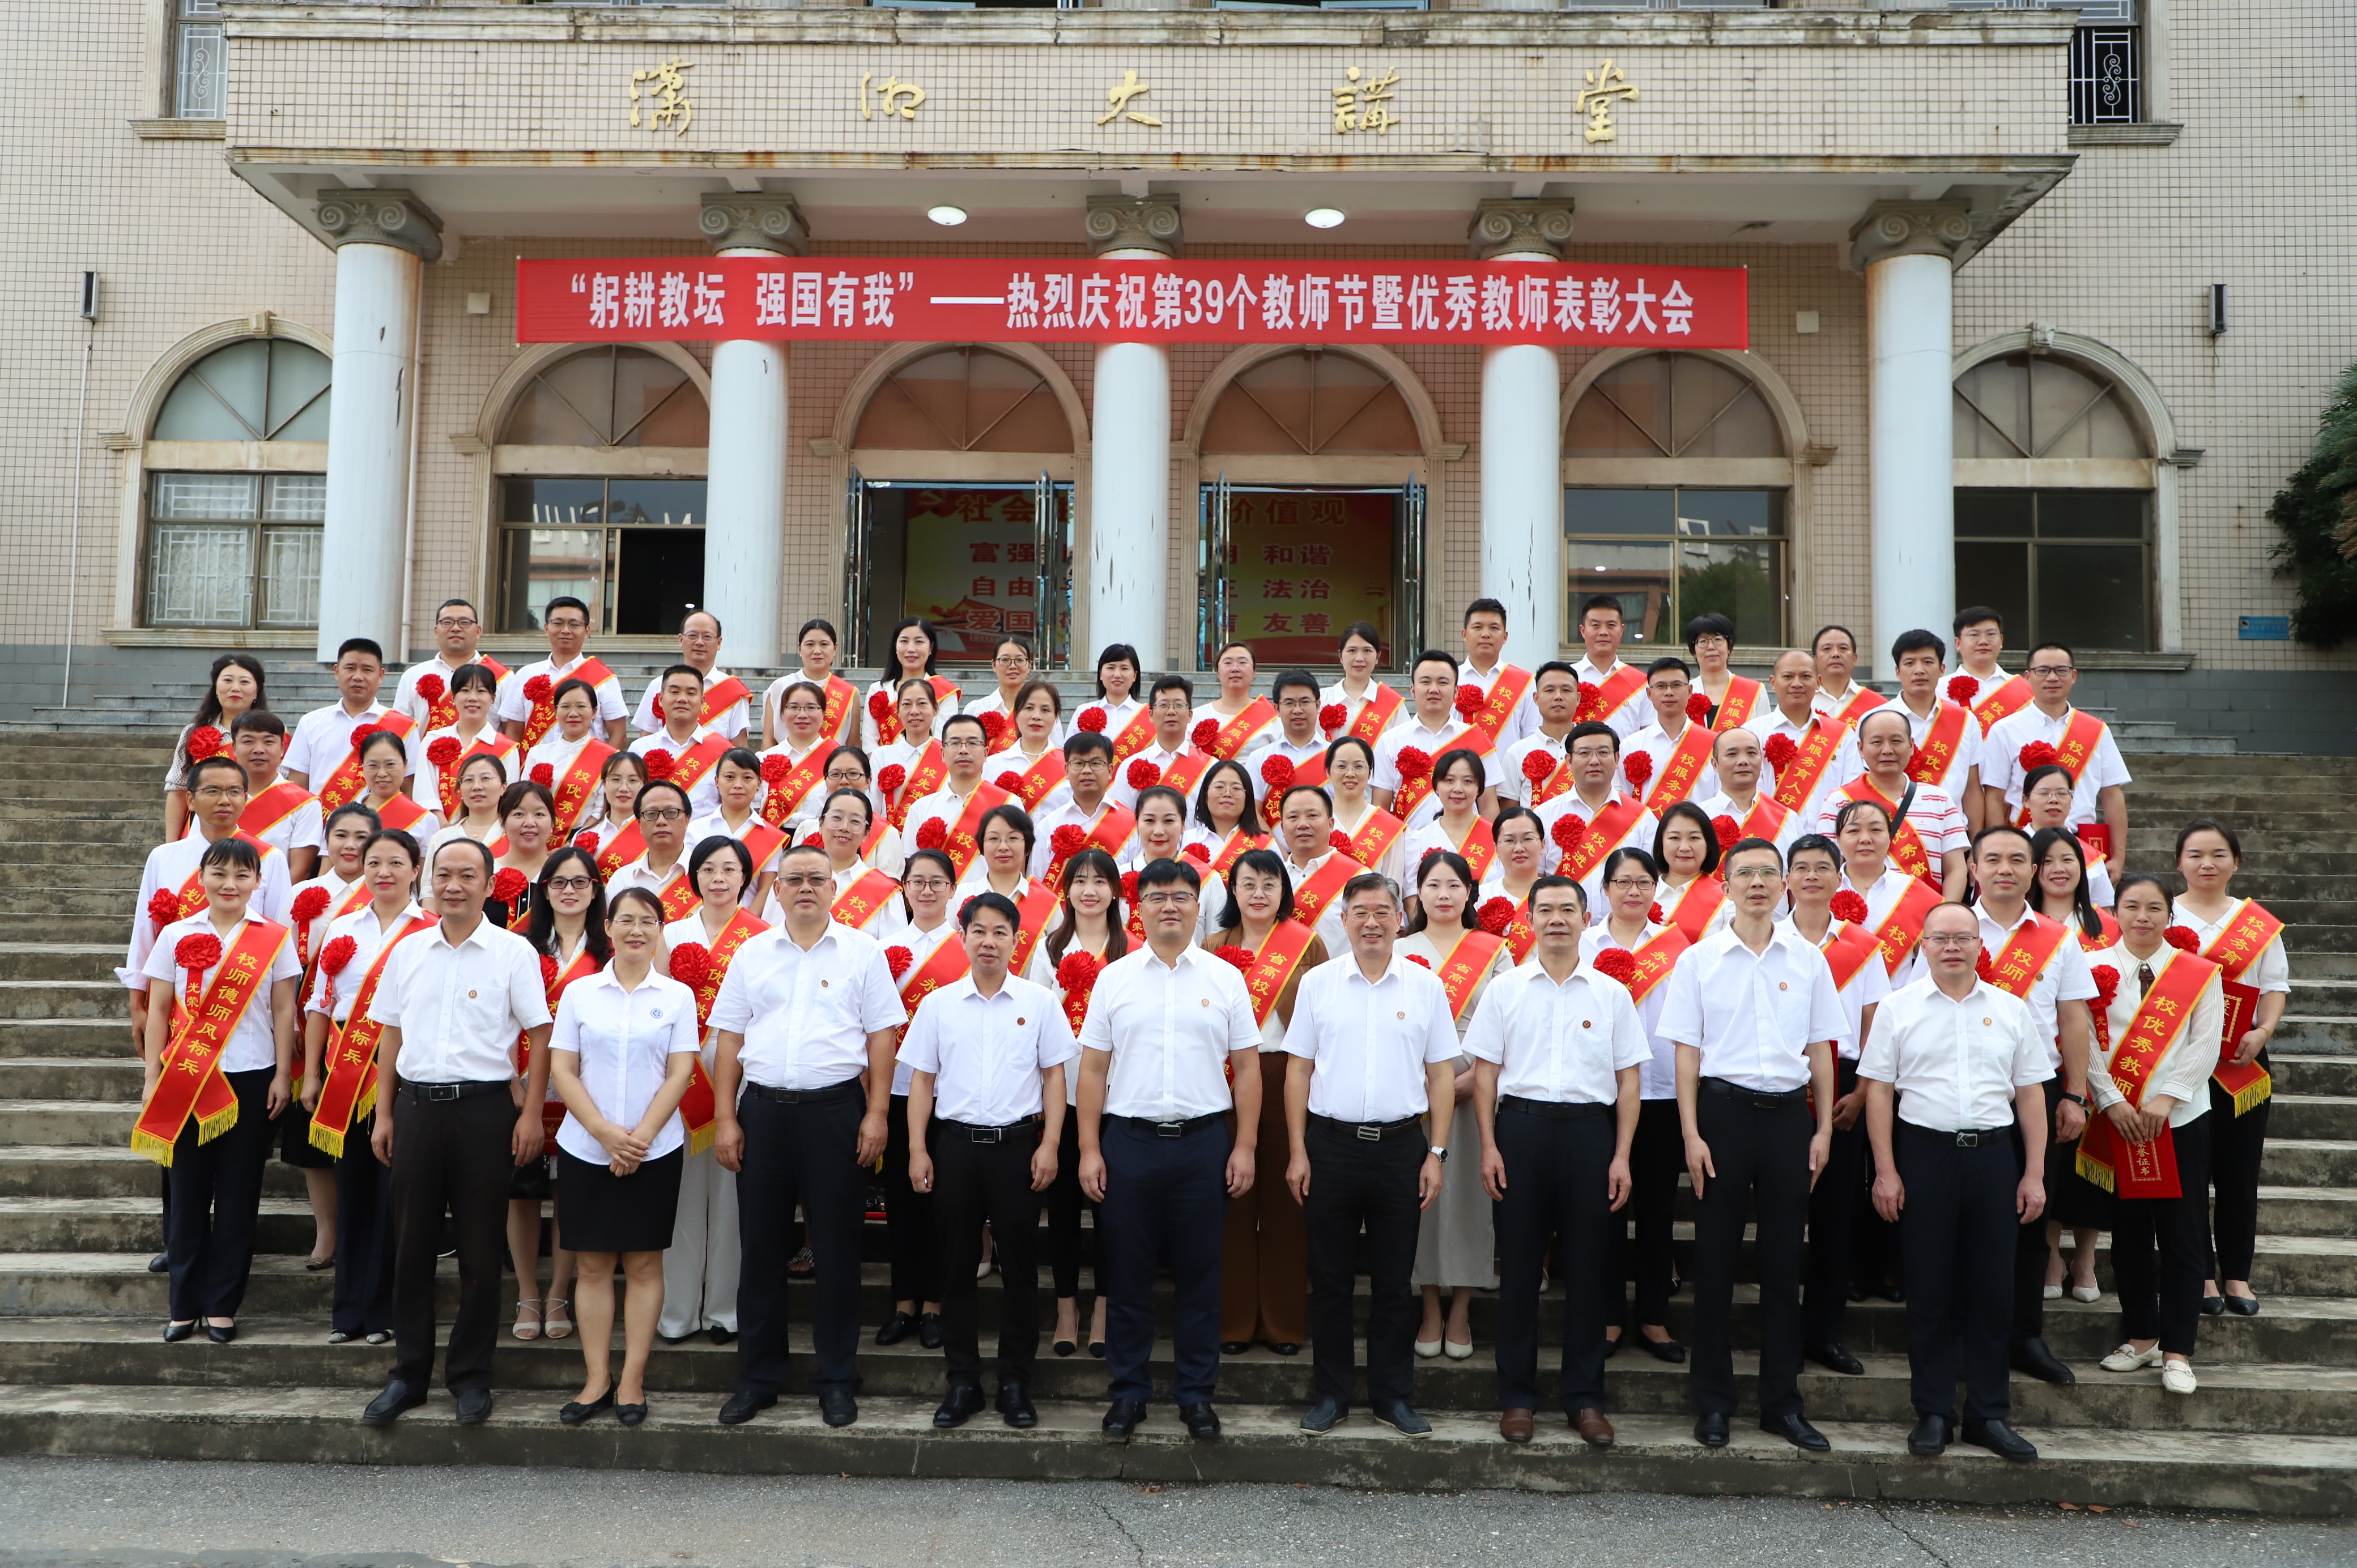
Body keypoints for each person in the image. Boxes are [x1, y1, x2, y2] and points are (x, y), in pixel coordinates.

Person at [708, 842, 905, 1428]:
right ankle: (758, 1378)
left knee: (838, 1252)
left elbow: (882, 1037)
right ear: (777, 889)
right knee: (760, 1251)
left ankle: (837, 1379)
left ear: (833, 888)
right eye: (793, 878)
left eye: (816, 878)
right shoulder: (752, 954)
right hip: (763, 1113)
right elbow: (728, 1038)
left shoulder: (862, 953)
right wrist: (726, 1117)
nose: (805, 888)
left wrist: (877, 1113)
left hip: (836, 1113)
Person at [359, 837, 554, 1428]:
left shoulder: (513, 953)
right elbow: (390, 1035)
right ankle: (408, 1374)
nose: (454, 885)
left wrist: (530, 1114)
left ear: (490, 885)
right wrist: (385, 1113)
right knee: (411, 1248)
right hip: (417, 1109)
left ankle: (471, 1376)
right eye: (444, 874)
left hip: (485, 1112)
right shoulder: (408, 951)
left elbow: (540, 1035)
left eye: (468, 875)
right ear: (429, 881)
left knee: (479, 1252)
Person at [1660, 836, 1843, 1451]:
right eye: (1746, 873)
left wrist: (1822, 1127)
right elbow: (1686, 1054)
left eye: (1769, 872)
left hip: (1789, 1118)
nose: (1758, 883)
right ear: (1727, 885)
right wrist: (1690, 1133)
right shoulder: (1699, 960)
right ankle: (1713, 1403)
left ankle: (1780, 1404)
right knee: (1714, 1264)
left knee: (1783, 1264)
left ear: (1784, 882)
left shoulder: (1809, 960)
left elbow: (1821, 1048)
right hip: (1722, 1117)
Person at [1076, 855, 1261, 1439]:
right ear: (1139, 908)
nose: (1169, 906)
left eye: (1181, 896)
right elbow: (1092, 1069)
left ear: (1197, 906)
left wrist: (1245, 1146)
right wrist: (1089, 1148)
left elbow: (1247, 1068)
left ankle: (1196, 1395)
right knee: (1127, 1276)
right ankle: (1128, 1393)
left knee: (1200, 1277)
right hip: (1128, 1143)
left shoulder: (1224, 979)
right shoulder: (1114, 978)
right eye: (1156, 896)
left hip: (1203, 1144)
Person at [1861, 900, 2050, 1462]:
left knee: (1992, 1290)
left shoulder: (2011, 1008)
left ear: (1978, 945)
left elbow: (2030, 1094)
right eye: (1940, 938)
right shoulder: (1897, 1008)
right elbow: (1878, 1092)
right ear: (1922, 945)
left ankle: (1987, 1414)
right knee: (1928, 1288)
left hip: (1994, 1157)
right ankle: (1933, 1412)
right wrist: (1885, 1170)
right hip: (1924, 1155)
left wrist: (2034, 1171)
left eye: (1962, 938)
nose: (1951, 947)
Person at [1469, 874, 1648, 1446]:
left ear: (1584, 918)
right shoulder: (1505, 990)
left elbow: (1628, 1082)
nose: (1555, 919)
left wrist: (1621, 1155)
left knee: (1589, 1270)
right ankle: (1517, 1397)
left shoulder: (1611, 994)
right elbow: (1485, 1076)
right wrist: (1489, 1144)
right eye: (1544, 909)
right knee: (1520, 1269)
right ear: (1528, 920)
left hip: (1589, 1135)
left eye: (1567, 909)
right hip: (1520, 1131)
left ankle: (1584, 1397)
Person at [1282, 871, 1457, 1436]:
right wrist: (1297, 1150)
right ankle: (1331, 1394)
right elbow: (1298, 1070)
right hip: (1329, 1148)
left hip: (1401, 1149)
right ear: (1344, 919)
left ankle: (1391, 1395)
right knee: (1329, 1280)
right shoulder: (1318, 984)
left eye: (1383, 911)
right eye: (1360, 912)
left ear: (1399, 919)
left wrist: (1436, 1152)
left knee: (1393, 1282)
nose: (1372, 922)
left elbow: (1440, 1075)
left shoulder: (1424, 986)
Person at [901, 890, 1077, 1429]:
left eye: (1001, 932)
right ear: (963, 937)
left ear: (1016, 941)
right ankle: (963, 1382)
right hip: (954, 1146)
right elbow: (922, 1083)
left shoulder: (1039, 1002)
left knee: (1020, 1268)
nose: (989, 941)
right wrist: (917, 1149)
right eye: (979, 930)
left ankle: (1015, 1382)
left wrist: (1050, 1144)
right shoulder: (938, 1005)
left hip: (1017, 1149)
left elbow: (1055, 1078)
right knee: (955, 1267)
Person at [136, 836, 303, 1344]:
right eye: (220, 873)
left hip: (253, 1077)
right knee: (187, 1195)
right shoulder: (175, 934)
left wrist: (282, 1074)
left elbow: (283, 1010)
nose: (230, 884)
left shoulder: (274, 937)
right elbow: (158, 1011)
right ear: (203, 878)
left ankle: (223, 1305)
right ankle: (183, 1305)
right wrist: (152, 1077)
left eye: (242, 875)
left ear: (258, 882)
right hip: (187, 1079)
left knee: (238, 1197)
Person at [548, 885, 699, 1426]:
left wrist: (639, 1139)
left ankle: (632, 1380)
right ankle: (597, 1379)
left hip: (655, 1149)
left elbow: (680, 1072)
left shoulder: (677, 996)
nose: (637, 930)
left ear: (660, 931)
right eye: (627, 920)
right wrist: (605, 1133)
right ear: (608, 927)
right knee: (591, 1266)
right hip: (586, 1148)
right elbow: (563, 1069)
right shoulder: (580, 993)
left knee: (643, 1263)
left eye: (648, 921)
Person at [1964, 823, 2099, 1387]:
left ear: (2034, 870)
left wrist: (2074, 1093)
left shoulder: (2057, 938)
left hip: (2037, 1093)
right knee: (1964, 1219)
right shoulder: (1951, 929)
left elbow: (2073, 1019)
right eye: (1992, 859)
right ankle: (1965, 1337)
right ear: (1973, 868)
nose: (2005, 869)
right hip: (1960, 1092)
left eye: (2017, 860)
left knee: (2030, 1215)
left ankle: (2024, 1335)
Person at [2089, 874, 2224, 1397]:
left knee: (2183, 1234)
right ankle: (2142, 1336)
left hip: (2182, 1119)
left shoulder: (2197, 972)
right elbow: (2084, 1040)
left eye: (2154, 908)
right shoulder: (2092, 967)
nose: (2142, 917)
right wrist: (2111, 1100)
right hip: (2120, 1119)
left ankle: (2178, 1351)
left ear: (2170, 915)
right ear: (2115, 912)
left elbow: (2206, 1042)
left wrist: (2167, 1098)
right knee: (2129, 1235)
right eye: (2131, 906)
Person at [303, 826, 431, 1345]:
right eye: (375, 862)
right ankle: (348, 1313)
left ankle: (383, 1312)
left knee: (392, 1200)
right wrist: (312, 1074)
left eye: (396, 863)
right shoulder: (342, 927)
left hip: (404, 1074)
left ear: (416, 870)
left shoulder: (431, 930)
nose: (384, 872)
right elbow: (320, 1004)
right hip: (346, 1072)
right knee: (352, 1193)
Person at [1203, 848, 1324, 1360]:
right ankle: (1233, 1321)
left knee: (1286, 1202)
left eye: (1269, 884)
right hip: (1222, 1082)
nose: (1258, 893)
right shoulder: (1212, 946)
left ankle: (1283, 1324)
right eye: (1248, 883)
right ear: (1232, 890)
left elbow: (1322, 1023)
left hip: (1288, 1080)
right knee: (1230, 1202)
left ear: (1283, 892)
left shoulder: (1307, 945)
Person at [1782, 832, 1892, 1379]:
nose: (1812, 876)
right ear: (1787, 879)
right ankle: (1781, 1334)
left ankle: (1825, 1334)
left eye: (1822, 867)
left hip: (1847, 1084)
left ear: (1838, 877)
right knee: (1781, 1218)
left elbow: (1876, 1026)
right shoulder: (1766, 940)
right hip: (1780, 1082)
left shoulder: (1863, 946)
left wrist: (1863, 1092)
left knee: (1835, 1218)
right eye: (1801, 867)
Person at [1580, 847, 1694, 1364]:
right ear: (1605, 889)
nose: (1633, 891)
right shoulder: (1583, 945)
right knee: (1603, 1211)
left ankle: (1653, 1317)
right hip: (1599, 1095)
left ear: (1656, 889)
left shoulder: (1679, 948)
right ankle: (1606, 1317)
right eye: (1622, 882)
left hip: (1662, 1092)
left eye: (1644, 882)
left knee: (1656, 1210)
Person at [1399, 851, 1512, 1365]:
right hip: (1411, 1089)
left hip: (1475, 1089)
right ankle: (1428, 1305)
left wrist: (1471, 1081)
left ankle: (1462, 1306)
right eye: (1433, 885)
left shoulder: (1495, 951)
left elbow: (1507, 1026)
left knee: (1467, 1195)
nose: (1444, 894)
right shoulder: (1399, 949)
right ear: (1418, 893)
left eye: (1454, 885)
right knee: (1419, 1199)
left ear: (1470, 893)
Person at [2173, 818, 2287, 1319]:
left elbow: (2275, 987)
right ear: (2179, 862)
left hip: (2243, 1064)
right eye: (2196, 854)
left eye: (2219, 854)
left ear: (2236, 863)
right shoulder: (2163, 914)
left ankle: (2237, 1272)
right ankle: (2200, 1273)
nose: (2207, 864)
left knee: (2239, 1174)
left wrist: (2263, 1032)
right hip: (2180, 1065)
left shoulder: (2256, 923)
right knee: (2191, 1174)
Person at [658, 836, 768, 1347]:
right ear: (694, 877)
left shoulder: (764, 937)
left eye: (729, 869)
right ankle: (676, 1313)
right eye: (708, 869)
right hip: (678, 1081)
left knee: (731, 1200)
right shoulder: (670, 933)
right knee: (679, 1199)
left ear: (745, 877)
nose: (718, 878)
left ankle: (725, 1310)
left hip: (738, 1078)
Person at [122, 753, 296, 1036]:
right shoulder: (164, 858)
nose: (224, 800)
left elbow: (280, 934)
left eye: (234, 792)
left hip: (243, 1000)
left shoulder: (269, 858)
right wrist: (136, 1004)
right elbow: (145, 931)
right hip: (175, 999)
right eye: (212, 791)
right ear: (190, 800)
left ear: (245, 798)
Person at [509, 847, 605, 1343]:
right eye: (559, 882)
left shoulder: (609, 949)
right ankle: (528, 1291)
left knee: (572, 1193)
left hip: (588, 1090)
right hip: (524, 1083)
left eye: (580, 881)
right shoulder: (518, 945)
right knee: (522, 1194)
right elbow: (500, 1018)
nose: (570, 891)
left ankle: (559, 1293)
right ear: (543, 890)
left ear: (595, 889)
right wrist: (510, 1080)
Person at [1031, 849, 1124, 1361]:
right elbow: (1034, 1025)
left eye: (1100, 881)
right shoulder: (1049, 948)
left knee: (1113, 1213)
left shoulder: (1132, 950)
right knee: (1064, 1210)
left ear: (1115, 891)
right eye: (1080, 881)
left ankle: (1105, 1310)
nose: (1090, 890)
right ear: (1066, 890)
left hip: (1120, 1100)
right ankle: (1066, 1309)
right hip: (1062, 1097)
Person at [879, 847, 960, 1351]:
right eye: (917, 882)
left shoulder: (966, 947)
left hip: (950, 1095)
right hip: (895, 1089)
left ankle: (935, 1304)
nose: (927, 890)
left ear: (952, 889)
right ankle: (903, 1302)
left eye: (937, 882)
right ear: (904, 889)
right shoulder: (882, 949)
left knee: (943, 1205)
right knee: (901, 1201)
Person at [2032, 825, 2116, 1305]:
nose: (2058, 869)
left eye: (2068, 860)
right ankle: (2049, 1255)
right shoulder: (2022, 925)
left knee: (2090, 1164)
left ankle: (2085, 1257)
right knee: (2049, 1162)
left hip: (2101, 1061)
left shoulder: (2108, 925)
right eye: (2047, 861)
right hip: (2042, 1062)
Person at [1980, 642, 2132, 883]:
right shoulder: (2005, 730)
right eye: (2043, 671)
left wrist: (2119, 857)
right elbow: (1995, 796)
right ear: (2027, 677)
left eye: (2061, 670)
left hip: (2080, 843)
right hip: (2025, 843)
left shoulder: (2096, 730)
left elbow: (2112, 795)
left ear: (2074, 676)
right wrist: (2001, 849)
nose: (2052, 677)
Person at [1819, 708, 1969, 894]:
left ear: (1911, 746)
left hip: (1926, 909)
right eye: (1877, 742)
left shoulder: (1939, 800)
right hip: (1860, 909)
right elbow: (1830, 867)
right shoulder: (1839, 801)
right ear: (1861, 749)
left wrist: (1945, 910)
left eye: (1896, 741)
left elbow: (1956, 869)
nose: (1887, 750)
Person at [1534, 722, 1658, 915]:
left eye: (1603, 752)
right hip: (1563, 926)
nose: (1594, 761)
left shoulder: (1642, 818)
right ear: (1568, 760)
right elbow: (1536, 877)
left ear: (1617, 759)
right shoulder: (1544, 815)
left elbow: (1654, 878)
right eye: (1584, 753)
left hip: (1625, 927)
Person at [1372, 651, 1494, 829]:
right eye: (1426, 682)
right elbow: (1381, 806)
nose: (1434, 689)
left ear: (1456, 691)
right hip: (1408, 842)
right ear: (1413, 690)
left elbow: (1488, 805)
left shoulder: (1476, 738)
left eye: (1443, 682)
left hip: (1466, 842)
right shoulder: (1390, 741)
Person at [1744, 650, 1864, 829]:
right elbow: (1749, 791)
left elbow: (1852, 791)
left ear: (1818, 682)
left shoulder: (1842, 734)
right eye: (1788, 677)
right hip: (1773, 836)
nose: (1797, 684)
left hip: (1830, 837)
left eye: (1805, 676)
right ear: (1773, 683)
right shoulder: (1751, 733)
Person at [497, 595, 628, 751]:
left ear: (587, 631)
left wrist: (602, 766)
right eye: (558, 623)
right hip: (534, 765)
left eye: (574, 624)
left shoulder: (604, 678)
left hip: (586, 765)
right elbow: (513, 732)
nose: (565, 630)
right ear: (546, 628)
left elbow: (619, 735)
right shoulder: (525, 675)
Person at [1836, 799, 1945, 983]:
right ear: (1838, 840)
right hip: (1837, 996)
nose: (1865, 839)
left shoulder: (1915, 893)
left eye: (1876, 830)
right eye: (1854, 831)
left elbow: (1928, 960)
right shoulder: (1824, 890)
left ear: (1890, 838)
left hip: (1901, 997)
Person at [1887, 628, 1985, 830]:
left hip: (1952, 834)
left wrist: (1977, 842)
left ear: (1942, 669)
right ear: (1897, 671)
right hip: (1896, 832)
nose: (1919, 670)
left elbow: (1972, 789)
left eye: (1928, 662)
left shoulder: (1965, 720)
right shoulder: (1876, 720)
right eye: (1909, 663)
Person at [899, 713, 1014, 883]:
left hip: (992, 898)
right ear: (943, 754)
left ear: (986, 753)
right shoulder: (921, 808)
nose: (963, 750)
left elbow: (1018, 866)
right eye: (955, 743)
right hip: (939, 898)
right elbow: (912, 869)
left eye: (973, 743)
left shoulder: (1009, 803)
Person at [163, 654, 266, 841]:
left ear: (257, 691)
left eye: (244, 682)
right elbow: (178, 791)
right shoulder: (193, 732)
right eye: (228, 680)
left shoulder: (274, 735)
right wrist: (171, 846)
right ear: (216, 688)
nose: (235, 688)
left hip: (259, 831)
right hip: (201, 832)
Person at [283, 639, 389, 802]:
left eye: (367, 670)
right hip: (322, 817)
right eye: (350, 668)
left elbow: (407, 787)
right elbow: (297, 785)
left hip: (380, 817)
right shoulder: (311, 723)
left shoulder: (400, 726)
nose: (358, 677)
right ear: (337, 671)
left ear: (381, 675)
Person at [1028, 731, 1140, 884]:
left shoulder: (1132, 825)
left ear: (1110, 771)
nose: (1087, 770)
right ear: (1067, 770)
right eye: (1079, 763)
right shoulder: (1048, 826)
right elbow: (1037, 885)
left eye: (1095, 763)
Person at [225, 711, 323, 884]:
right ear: (234, 748)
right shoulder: (217, 796)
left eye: (269, 742)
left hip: (275, 897)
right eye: (248, 741)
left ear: (282, 749)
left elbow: (300, 871)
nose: (259, 750)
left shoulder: (305, 804)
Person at [415, 665, 518, 826]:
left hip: (491, 832)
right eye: (465, 691)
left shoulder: (507, 749)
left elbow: (508, 800)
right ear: (453, 697)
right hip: (439, 831)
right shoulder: (432, 740)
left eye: (481, 691)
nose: (473, 698)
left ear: (493, 698)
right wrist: (445, 829)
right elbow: (425, 794)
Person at [689, 747, 786, 915]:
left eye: (747, 778)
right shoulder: (695, 830)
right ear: (717, 781)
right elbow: (689, 881)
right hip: (701, 918)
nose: (738, 785)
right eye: (730, 777)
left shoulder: (772, 837)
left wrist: (744, 925)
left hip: (748, 923)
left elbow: (766, 889)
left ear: (759, 784)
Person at [1270, 783, 1363, 956]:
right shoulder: (1272, 880)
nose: (1303, 824)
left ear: (1331, 824)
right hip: (1281, 971)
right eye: (1293, 817)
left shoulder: (1361, 880)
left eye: (1312, 815)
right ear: (1282, 828)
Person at [394, 599, 512, 732]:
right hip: (427, 746)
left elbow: (510, 732)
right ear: (436, 631)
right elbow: (401, 731)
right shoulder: (413, 676)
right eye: (447, 623)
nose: (456, 628)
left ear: (479, 631)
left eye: (465, 623)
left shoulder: (503, 678)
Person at [629, 664, 732, 818]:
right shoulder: (640, 749)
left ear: (702, 702)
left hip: (706, 833)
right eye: (675, 692)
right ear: (661, 699)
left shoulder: (723, 751)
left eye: (691, 693)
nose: (682, 699)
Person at [524, 678, 617, 843]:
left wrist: (572, 843)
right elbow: (524, 800)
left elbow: (601, 809)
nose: (573, 713)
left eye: (581, 706)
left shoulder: (610, 757)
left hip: (585, 840)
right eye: (566, 707)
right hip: (538, 839)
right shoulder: (538, 753)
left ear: (594, 712)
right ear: (556, 711)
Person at [632, 610, 748, 743]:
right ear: (681, 640)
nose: (700, 642)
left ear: (719, 643)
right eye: (693, 636)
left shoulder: (733, 691)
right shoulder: (658, 685)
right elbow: (646, 740)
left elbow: (740, 746)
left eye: (707, 637)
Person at [1620, 657, 1718, 811]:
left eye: (1676, 685)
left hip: (1701, 826)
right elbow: (1625, 800)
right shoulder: (1631, 745)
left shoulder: (1714, 744)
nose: (1669, 692)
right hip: (1648, 827)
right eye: (1661, 686)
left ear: (1690, 691)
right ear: (1649, 693)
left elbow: (1719, 796)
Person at [811, 788, 909, 940]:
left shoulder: (885, 892)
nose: (844, 827)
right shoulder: (793, 879)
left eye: (855, 821)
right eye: (836, 817)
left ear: (866, 833)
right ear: (821, 825)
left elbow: (894, 950)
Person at [1695, 726, 1803, 860]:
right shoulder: (1699, 817)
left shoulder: (1787, 819)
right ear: (1715, 764)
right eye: (1732, 754)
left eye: (1751, 753)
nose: (1743, 761)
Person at [1110, 675, 1211, 813]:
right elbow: (1122, 818)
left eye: (1179, 705)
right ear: (1151, 715)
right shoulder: (1129, 766)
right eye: (1163, 705)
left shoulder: (1210, 767)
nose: (1171, 712)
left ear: (1190, 715)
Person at [2020, 764, 2114, 907]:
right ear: (2026, 801)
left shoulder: (2089, 855)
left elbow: (2103, 909)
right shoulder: (2011, 847)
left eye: (2062, 793)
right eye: (2044, 793)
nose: (2054, 800)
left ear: (2072, 800)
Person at [760, 617, 859, 752]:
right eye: (810, 644)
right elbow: (768, 742)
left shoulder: (850, 693)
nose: (817, 651)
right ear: (800, 649)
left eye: (824, 644)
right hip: (786, 763)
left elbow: (853, 744)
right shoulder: (779, 687)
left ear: (835, 649)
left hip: (833, 764)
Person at [862, 617, 961, 752]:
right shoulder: (877, 690)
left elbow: (943, 743)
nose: (911, 649)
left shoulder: (945, 692)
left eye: (919, 642)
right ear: (895, 646)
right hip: (884, 764)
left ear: (931, 647)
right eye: (904, 641)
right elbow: (869, 746)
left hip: (930, 763)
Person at [1324, 735, 1407, 887]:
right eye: (1342, 766)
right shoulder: (1317, 820)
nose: (1350, 773)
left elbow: (1393, 885)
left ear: (1370, 773)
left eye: (1359, 767)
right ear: (1328, 772)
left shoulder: (1388, 827)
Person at [1457, 596, 1539, 751]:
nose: (1486, 634)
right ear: (1464, 635)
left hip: (1507, 767)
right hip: (1456, 766)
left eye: (1494, 628)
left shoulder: (1525, 682)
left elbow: (1533, 736)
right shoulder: (1450, 680)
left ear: (1505, 637)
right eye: (1478, 627)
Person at [984, 679, 1073, 817]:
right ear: (1016, 715)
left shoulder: (1069, 764)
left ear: (1055, 718)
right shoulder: (993, 765)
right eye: (1029, 708)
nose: (1036, 716)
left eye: (1045, 710)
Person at [1499, 662, 1584, 808]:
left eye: (1566, 690)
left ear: (1578, 698)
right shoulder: (1517, 752)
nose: (1558, 697)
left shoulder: (1593, 750)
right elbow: (1510, 812)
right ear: (1536, 698)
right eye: (1550, 690)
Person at [955, 635, 1059, 753]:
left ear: (1029, 666)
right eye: (1005, 660)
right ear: (994, 665)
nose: (1013, 666)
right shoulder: (977, 709)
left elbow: (1056, 752)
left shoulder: (1045, 711)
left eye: (1020, 660)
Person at [607, 778, 695, 915]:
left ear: (687, 820)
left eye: (671, 812)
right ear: (639, 823)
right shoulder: (622, 880)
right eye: (651, 814)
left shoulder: (705, 874)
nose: (661, 821)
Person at [1569, 595, 1649, 740]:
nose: (1603, 632)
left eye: (1611, 625)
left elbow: (1648, 735)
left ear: (1622, 630)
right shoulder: (1567, 678)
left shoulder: (1642, 683)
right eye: (1595, 625)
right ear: (1583, 630)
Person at [1477, 806, 1550, 962]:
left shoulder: (1560, 896)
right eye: (1509, 840)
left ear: (1543, 845)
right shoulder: (1479, 897)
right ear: (1496, 848)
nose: (1519, 848)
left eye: (1528, 839)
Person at [873, 677, 947, 830]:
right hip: (891, 838)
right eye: (906, 704)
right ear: (898, 712)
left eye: (922, 704)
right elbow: (873, 806)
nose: (914, 711)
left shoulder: (947, 755)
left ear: (935, 709)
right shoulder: (882, 755)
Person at [1650, 802, 1729, 944]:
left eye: (1694, 838)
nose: (1685, 847)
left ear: (1708, 845)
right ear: (1661, 843)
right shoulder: (1644, 893)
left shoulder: (1727, 899)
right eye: (1674, 838)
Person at [1256, 670, 1333, 805]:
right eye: (1289, 703)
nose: (1298, 710)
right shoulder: (1259, 758)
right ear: (1277, 709)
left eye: (1305, 702)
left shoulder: (1336, 756)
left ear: (1318, 706)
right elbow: (1254, 811)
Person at [1949, 606, 2030, 732]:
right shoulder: (1939, 689)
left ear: (2001, 641)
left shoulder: (2025, 688)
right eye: (1974, 635)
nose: (1983, 641)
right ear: (1958, 643)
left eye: (1991, 634)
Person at [1193, 641, 1279, 759]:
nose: (1235, 669)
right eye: (1228, 663)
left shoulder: (1272, 718)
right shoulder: (1197, 716)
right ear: (1218, 672)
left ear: (1254, 671)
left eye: (1242, 663)